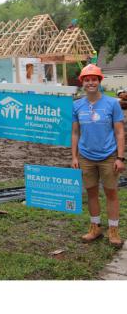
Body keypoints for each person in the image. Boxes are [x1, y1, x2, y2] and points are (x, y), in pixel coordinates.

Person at [72, 64, 125, 247]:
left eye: (94, 79)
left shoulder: (112, 104)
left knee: (111, 193)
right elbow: (75, 133)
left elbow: (119, 132)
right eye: (87, 80)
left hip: (109, 156)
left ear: (99, 81)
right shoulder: (77, 105)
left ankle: (113, 230)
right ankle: (95, 227)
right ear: (83, 83)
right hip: (86, 157)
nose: (90, 83)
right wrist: (74, 157)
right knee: (92, 192)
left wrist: (120, 157)